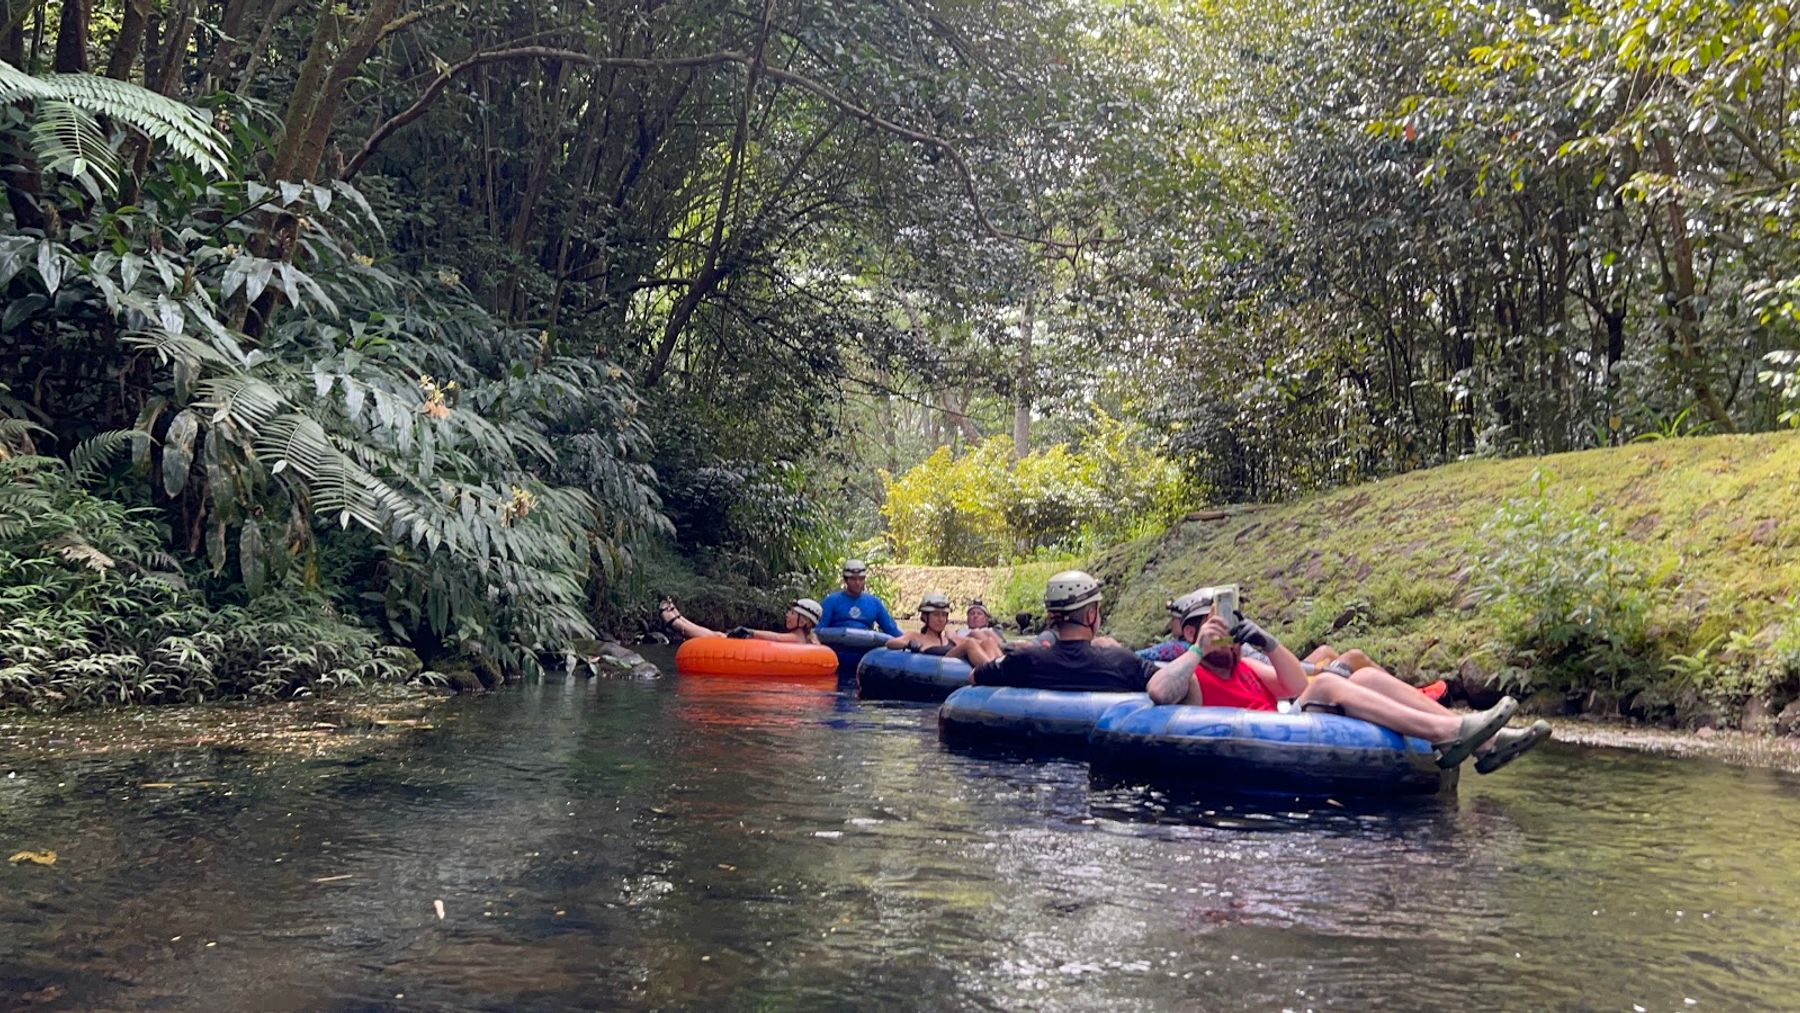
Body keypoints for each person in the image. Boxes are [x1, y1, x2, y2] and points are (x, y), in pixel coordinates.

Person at [1183, 605, 1550, 774]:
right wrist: (1200, 647)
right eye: (1218, 629)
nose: (1229, 638)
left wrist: (1268, 642)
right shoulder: (1191, 672)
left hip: (1294, 723)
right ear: (1192, 633)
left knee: (1366, 678)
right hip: (1265, 742)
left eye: (1230, 628)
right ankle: (1449, 733)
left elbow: (1295, 686)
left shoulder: (1245, 665)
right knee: (1328, 681)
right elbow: (1160, 689)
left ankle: (1485, 742)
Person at [963, 570, 1209, 700]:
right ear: (1091, 615)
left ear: (1051, 614)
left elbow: (974, 677)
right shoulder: (1122, 661)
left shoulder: (1025, 660)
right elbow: (1176, 686)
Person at [659, 596, 825, 645]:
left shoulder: (798, 639)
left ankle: (676, 622)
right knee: (718, 635)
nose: (787, 615)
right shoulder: (802, 638)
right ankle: (680, 619)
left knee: (718, 637)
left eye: (792, 613)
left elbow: (777, 638)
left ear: (803, 622)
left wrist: (750, 632)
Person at [819, 559, 902, 637]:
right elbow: (818, 631)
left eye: (861, 579)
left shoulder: (874, 603)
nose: (857, 583)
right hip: (836, 650)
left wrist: (909, 639)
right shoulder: (831, 602)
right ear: (846, 580)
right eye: (853, 579)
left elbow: (892, 630)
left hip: (867, 651)